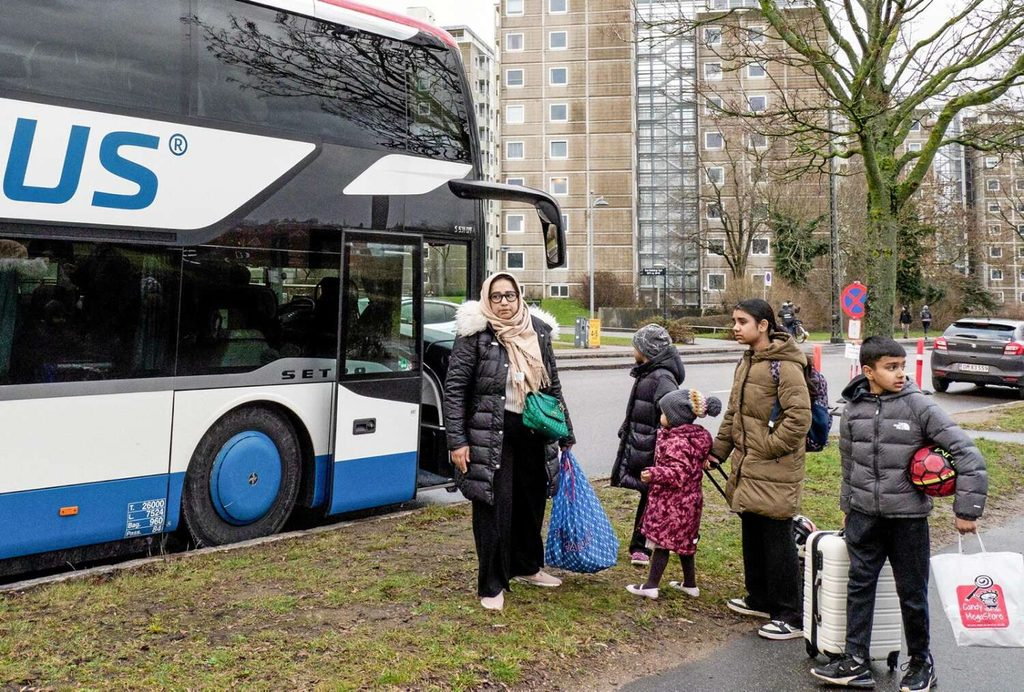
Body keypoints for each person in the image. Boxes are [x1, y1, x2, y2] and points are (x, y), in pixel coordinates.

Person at [811, 336, 988, 691]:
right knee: (859, 587)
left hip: (908, 520)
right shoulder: (853, 409)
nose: (900, 374)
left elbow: (968, 454)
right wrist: (847, 506)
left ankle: (921, 663)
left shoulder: (919, 406)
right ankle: (855, 661)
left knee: (912, 593)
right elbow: (848, 464)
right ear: (868, 371)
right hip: (864, 517)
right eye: (891, 367)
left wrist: (967, 509)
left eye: (902, 366)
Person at [443, 273, 575, 611]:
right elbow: (455, 390)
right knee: (493, 506)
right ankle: (491, 584)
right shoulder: (475, 335)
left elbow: (552, 385)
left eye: (510, 295)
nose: (504, 302)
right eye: (497, 296)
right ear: (487, 299)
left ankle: (527, 566)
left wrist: (566, 432)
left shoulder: (538, 331)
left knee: (531, 501)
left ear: (520, 297)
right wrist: (457, 441)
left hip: (535, 429)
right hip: (490, 432)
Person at [710, 298, 811, 640]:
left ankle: (790, 615)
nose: (735, 328)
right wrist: (718, 452)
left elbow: (798, 419)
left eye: (742, 322)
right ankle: (760, 598)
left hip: (775, 465)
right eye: (734, 321)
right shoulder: (748, 360)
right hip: (749, 462)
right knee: (752, 526)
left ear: (763, 325)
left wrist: (766, 448)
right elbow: (734, 414)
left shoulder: (785, 365)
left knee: (776, 535)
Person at [625, 389, 721, 600]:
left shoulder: (677, 442)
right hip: (690, 502)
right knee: (686, 543)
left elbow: (678, 473)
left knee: (662, 543)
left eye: (664, 413)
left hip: (672, 503)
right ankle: (690, 584)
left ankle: (651, 585)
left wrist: (654, 474)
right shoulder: (695, 437)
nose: (661, 416)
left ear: (675, 418)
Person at [610, 324, 686, 567]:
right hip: (642, 442)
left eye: (636, 346)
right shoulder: (648, 372)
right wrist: (627, 427)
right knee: (649, 493)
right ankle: (643, 543)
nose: (633, 349)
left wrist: (662, 442)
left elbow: (671, 414)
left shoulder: (662, 377)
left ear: (647, 350)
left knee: (651, 493)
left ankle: (642, 546)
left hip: (653, 447)